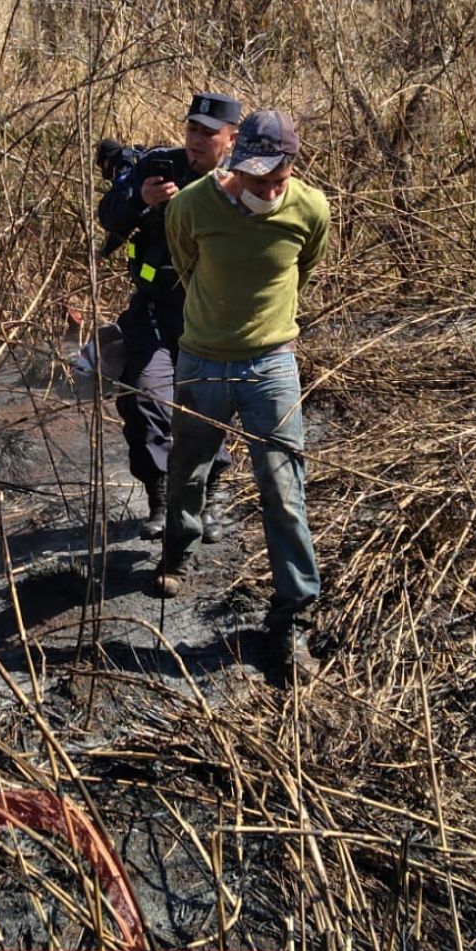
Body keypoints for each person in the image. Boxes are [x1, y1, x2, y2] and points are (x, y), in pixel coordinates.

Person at [153, 108, 330, 676]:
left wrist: (265, 327)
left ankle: (293, 617)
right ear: (234, 163)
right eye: (257, 181)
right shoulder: (191, 204)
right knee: (188, 467)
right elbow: (185, 264)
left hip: (271, 365)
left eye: (278, 181)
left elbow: (302, 269)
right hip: (202, 359)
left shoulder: (311, 208)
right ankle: (178, 546)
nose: (268, 192)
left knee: (284, 489)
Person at [97, 94, 241, 538]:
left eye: (208, 133)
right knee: (141, 395)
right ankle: (160, 496)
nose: (196, 140)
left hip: (214, 317)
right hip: (155, 310)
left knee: (209, 409)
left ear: (231, 139)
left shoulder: (242, 181)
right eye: (192, 129)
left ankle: (208, 498)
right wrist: (140, 197)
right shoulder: (157, 166)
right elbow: (109, 214)